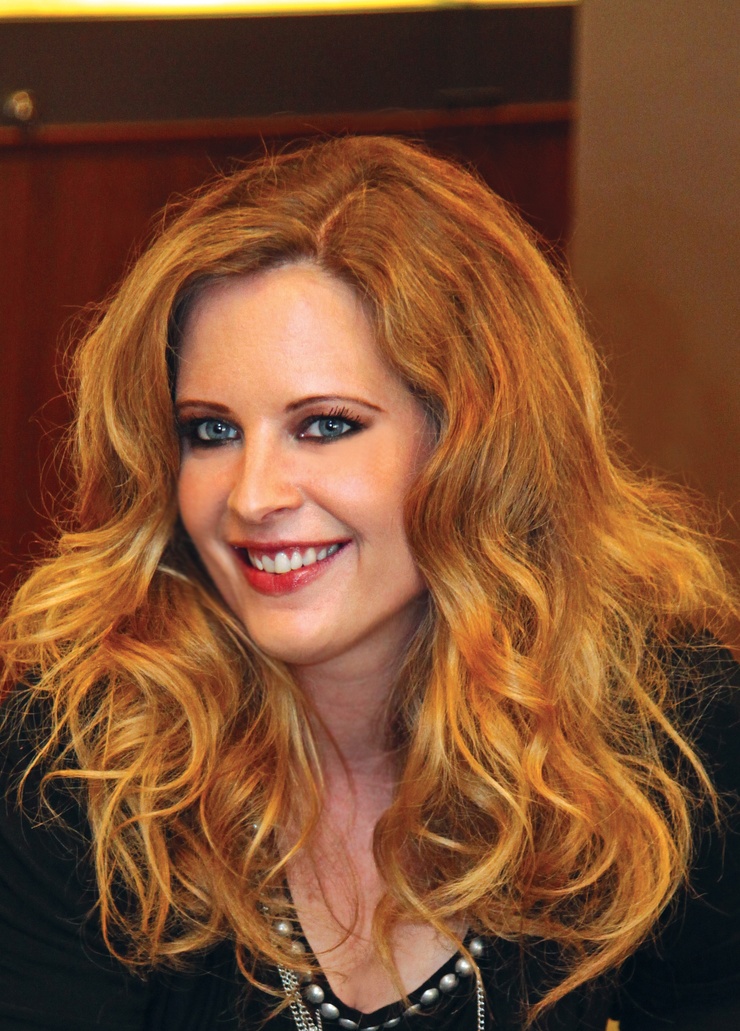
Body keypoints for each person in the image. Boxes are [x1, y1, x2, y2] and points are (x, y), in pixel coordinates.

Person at [0, 135, 738, 1031]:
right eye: (211, 431)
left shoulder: (667, 729)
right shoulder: (83, 755)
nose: (253, 497)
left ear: (475, 446)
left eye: (325, 425)